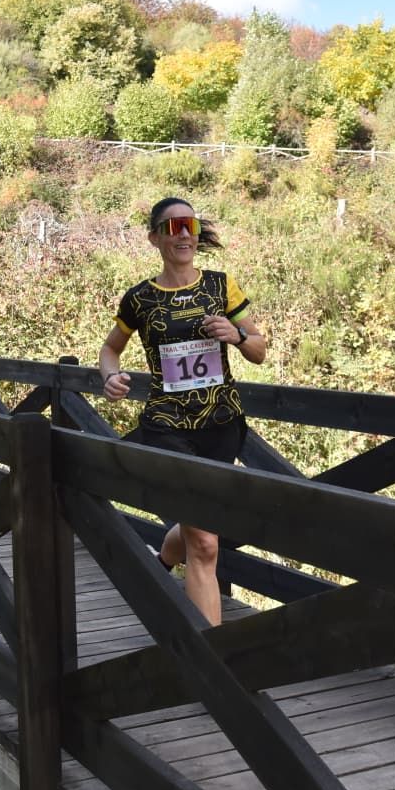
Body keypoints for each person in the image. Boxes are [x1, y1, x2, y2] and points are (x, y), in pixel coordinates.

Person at [98, 197, 266, 626]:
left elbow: (259, 350)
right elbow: (110, 349)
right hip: (168, 427)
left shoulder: (221, 285)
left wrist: (236, 334)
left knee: (201, 526)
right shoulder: (139, 298)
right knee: (206, 543)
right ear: (155, 238)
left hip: (222, 424)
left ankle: (162, 559)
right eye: (172, 228)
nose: (184, 234)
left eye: (189, 225)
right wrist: (109, 377)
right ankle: (210, 660)